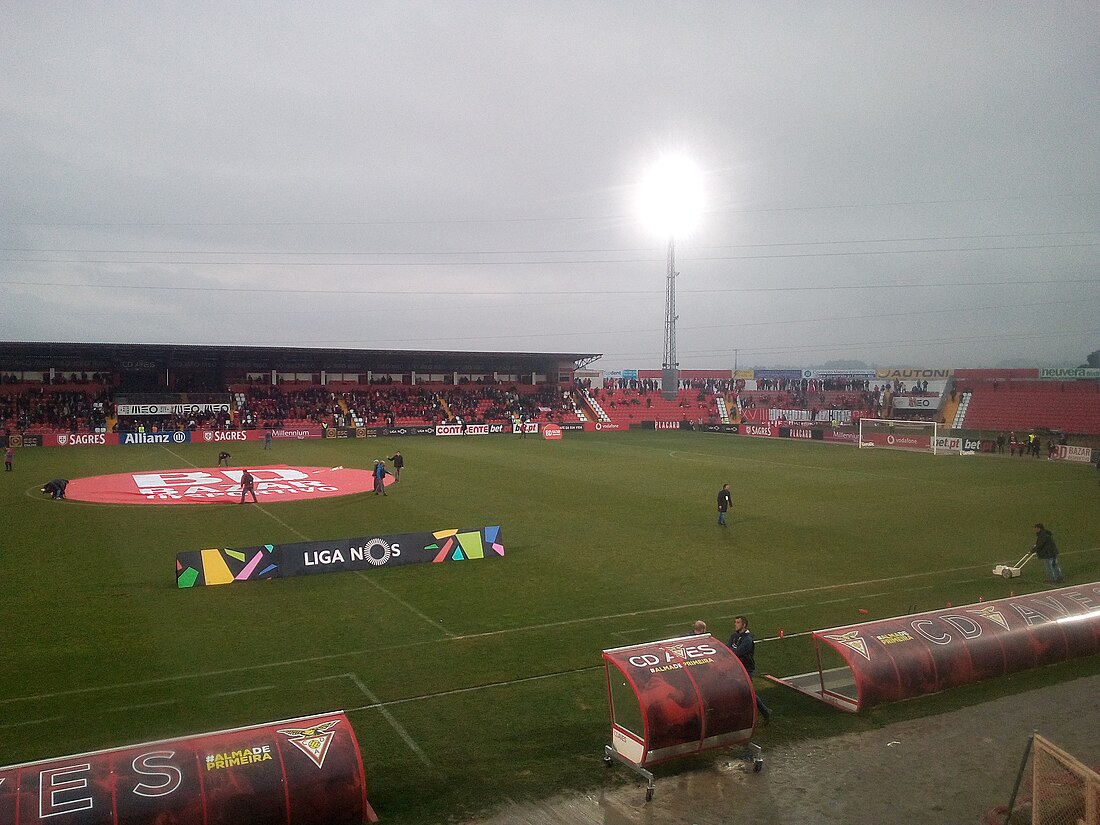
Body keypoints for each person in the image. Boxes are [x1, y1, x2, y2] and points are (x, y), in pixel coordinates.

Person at [727, 615, 771, 723]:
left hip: (746, 669)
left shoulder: (747, 639)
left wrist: (732, 650)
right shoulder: (734, 636)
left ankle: (764, 712)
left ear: (744, 625)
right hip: (736, 668)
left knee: (747, 693)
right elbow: (727, 650)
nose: (735, 624)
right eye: (735, 622)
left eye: (738, 622)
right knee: (739, 691)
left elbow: (737, 652)